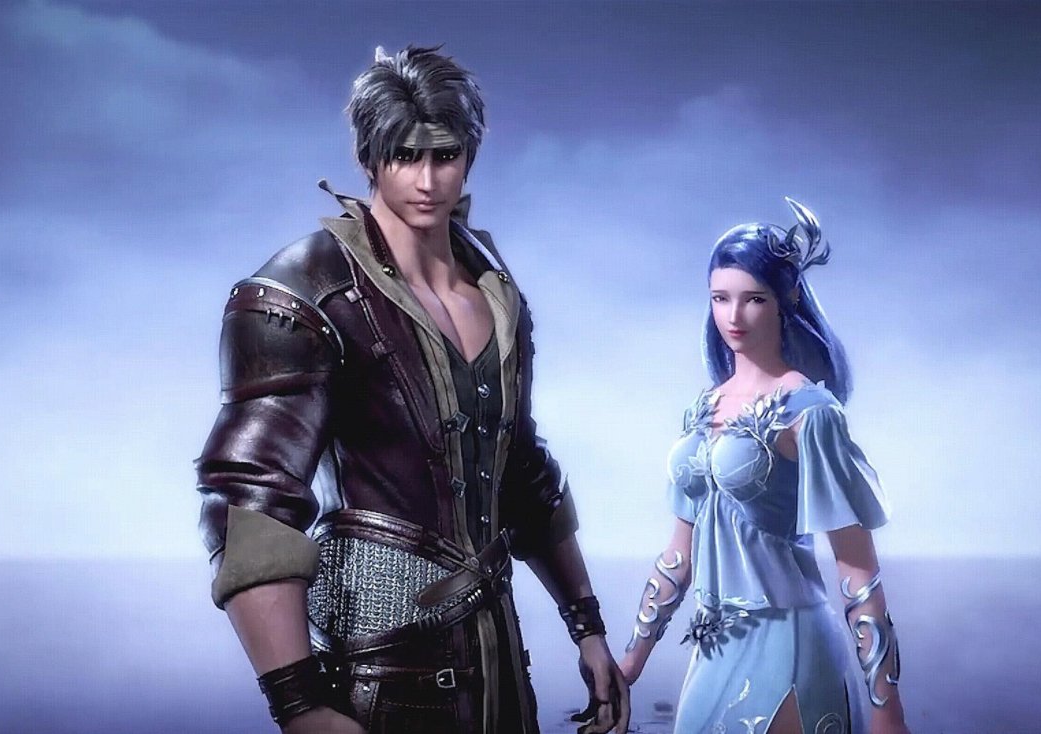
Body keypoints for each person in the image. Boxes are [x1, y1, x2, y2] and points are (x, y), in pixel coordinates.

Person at [193, 45, 629, 734]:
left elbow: (519, 468)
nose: (427, 180)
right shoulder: (302, 293)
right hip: (381, 677)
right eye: (404, 156)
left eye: (444, 155)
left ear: (469, 156)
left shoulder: (495, 288)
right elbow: (251, 507)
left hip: (498, 666)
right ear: (370, 159)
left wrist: (586, 625)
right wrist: (299, 705)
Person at [616, 200, 910, 734]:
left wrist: (887, 711)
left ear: (786, 298)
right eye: (720, 298)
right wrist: (628, 665)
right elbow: (679, 556)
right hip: (713, 649)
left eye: (753, 298)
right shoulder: (702, 409)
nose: (733, 316)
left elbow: (857, 568)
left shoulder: (811, 412)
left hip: (790, 643)